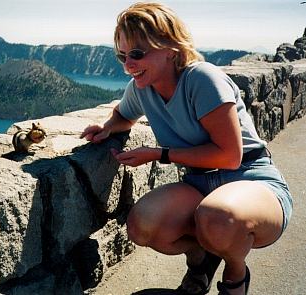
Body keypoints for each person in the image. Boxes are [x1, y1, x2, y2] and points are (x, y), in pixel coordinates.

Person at [80, 2, 293, 295]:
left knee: (216, 217)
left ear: (170, 48)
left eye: (138, 54)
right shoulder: (142, 87)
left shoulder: (202, 79)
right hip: (199, 183)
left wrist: (159, 153)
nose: (128, 64)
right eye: (123, 55)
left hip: (251, 178)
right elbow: (123, 116)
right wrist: (107, 127)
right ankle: (202, 259)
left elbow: (230, 157)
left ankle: (235, 272)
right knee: (142, 226)